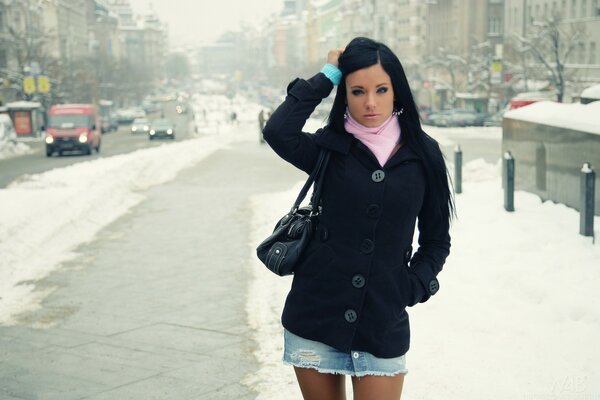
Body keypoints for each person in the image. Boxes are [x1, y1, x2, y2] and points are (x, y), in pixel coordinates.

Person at [262, 37, 453, 400]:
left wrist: (410, 286)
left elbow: (436, 240)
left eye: (381, 89)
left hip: (382, 321)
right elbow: (278, 131)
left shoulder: (424, 156)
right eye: (357, 90)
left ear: (397, 91)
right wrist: (328, 74)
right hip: (316, 313)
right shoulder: (329, 148)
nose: (370, 102)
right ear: (344, 94)